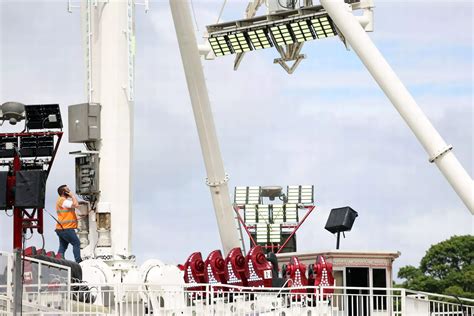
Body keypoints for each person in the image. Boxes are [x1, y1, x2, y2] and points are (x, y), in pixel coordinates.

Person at [55, 184, 82, 263]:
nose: (70, 191)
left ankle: (59, 260)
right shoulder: (63, 200)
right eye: (68, 190)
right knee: (76, 243)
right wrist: (72, 195)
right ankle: (78, 261)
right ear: (64, 192)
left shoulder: (61, 201)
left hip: (61, 229)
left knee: (63, 247)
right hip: (66, 228)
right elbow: (76, 205)